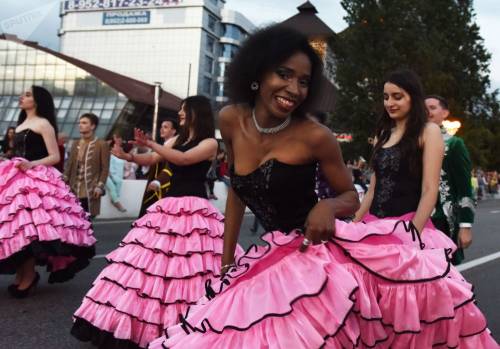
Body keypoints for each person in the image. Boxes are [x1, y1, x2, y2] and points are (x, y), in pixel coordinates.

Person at [149, 27, 498, 349]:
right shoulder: (230, 119)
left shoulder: (317, 136)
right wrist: (226, 265)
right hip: (271, 254)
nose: (294, 89)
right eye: (284, 74)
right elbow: (238, 192)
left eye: (304, 81)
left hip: (316, 253)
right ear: (256, 73)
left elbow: (362, 194)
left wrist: (329, 207)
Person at [71, 96, 242, 349]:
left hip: (194, 207)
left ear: (198, 113)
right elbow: (152, 160)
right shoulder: (177, 140)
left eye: (185, 110)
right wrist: (127, 156)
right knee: (150, 268)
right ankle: (145, 326)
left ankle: (185, 329)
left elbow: (182, 160)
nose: (181, 114)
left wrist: (152, 143)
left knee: (189, 269)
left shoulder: (209, 143)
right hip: (169, 205)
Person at [0, 86, 96, 298]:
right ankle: (23, 274)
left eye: (26, 95)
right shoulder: (20, 124)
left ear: (37, 100)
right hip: (14, 176)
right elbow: (16, 152)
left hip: (35, 179)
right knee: (15, 228)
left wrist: (31, 164)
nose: (21, 97)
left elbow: (54, 156)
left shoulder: (43, 124)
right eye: (22, 94)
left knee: (31, 230)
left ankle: (28, 276)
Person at [425, 95, 475, 264]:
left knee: (444, 276)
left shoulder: (454, 145)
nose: (426, 111)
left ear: (445, 113)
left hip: (442, 220)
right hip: (414, 218)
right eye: (423, 108)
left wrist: (465, 225)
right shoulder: (412, 143)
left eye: (432, 108)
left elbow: (465, 189)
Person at [64, 113, 110, 218]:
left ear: (93, 126)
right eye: (79, 123)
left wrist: (99, 186)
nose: (80, 125)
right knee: (74, 222)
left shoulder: (101, 144)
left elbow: (105, 168)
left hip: (90, 190)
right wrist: (64, 178)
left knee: (87, 222)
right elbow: (70, 164)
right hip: (73, 189)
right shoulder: (76, 143)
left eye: (84, 123)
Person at [139, 119, 177, 216]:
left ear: (174, 131)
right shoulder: (160, 147)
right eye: (161, 127)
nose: (162, 129)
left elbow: (170, 167)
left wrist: (158, 181)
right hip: (154, 187)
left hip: (166, 189)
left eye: (166, 127)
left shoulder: (175, 147)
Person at [106, 132, 127, 212]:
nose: (118, 141)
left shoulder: (121, 153)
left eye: (119, 139)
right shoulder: (108, 153)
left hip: (115, 176)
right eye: (116, 139)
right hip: (105, 175)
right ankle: (117, 203)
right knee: (112, 187)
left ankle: (115, 199)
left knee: (118, 182)